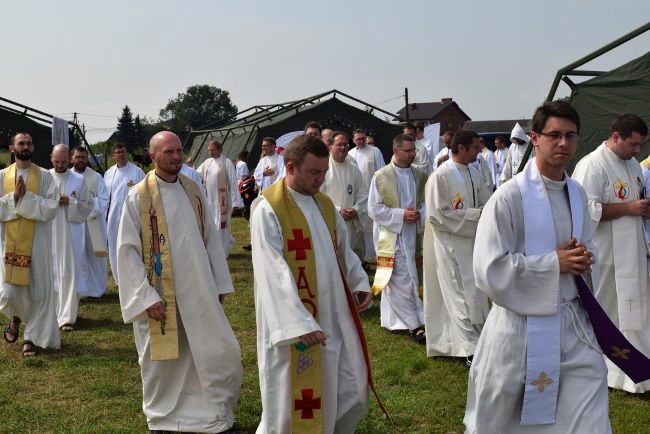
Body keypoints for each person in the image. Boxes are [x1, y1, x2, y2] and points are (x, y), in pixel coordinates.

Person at [465, 101, 610, 432]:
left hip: (573, 325)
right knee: (507, 421)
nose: (563, 143)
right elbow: (488, 269)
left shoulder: (576, 193)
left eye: (570, 136)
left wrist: (584, 258)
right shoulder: (508, 198)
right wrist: (552, 264)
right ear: (535, 137)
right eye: (554, 135)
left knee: (589, 420)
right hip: (520, 331)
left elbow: (590, 248)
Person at [117, 131, 242, 433]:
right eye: (168, 152)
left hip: (198, 288)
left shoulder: (193, 189)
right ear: (154, 156)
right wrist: (146, 297)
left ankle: (207, 410)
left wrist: (220, 283)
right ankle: (163, 417)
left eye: (178, 150)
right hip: (159, 293)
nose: (175, 156)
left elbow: (210, 238)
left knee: (212, 349)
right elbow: (127, 251)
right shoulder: (138, 196)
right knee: (163, 360)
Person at [251, 134, 373, 433]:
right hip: (295, 321)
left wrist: (358, 282)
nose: (320, 179)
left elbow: (343, 251)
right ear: (291, 168)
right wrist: (298, 323)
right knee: (291, 400)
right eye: (314, 173)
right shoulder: (268, 209)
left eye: (324, 173)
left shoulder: (324, 204)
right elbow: (272, 270)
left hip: (334, 313)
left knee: (353, 390)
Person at [572, 113, 650, 393]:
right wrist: (629, 209)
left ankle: (640, 368)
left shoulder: (633, 166)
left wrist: (641, 209)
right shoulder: (592, 165)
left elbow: (634, 200)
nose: (637, 151)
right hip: (607, 256)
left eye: (640, 145)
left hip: (633, 251)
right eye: (633, 144)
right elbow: (586, 209)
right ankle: (613, 373)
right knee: (612, 311)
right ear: (615, 136)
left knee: (637, 308)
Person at [423, 130, 492, 366]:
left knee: (477, 293)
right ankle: (471, 349)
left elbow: (486, 200)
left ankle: (481, 340)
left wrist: (485, 213)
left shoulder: (474, 171)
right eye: (474, 147)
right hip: (452, 244)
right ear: (461, 148)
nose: (478, 152)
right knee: (459, 294)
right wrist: (476, 215)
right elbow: (438, 214)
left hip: (474, 242)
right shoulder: (441, 176)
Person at [0, 133, 60, 357]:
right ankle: (15, 318)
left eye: (29, 143)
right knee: (11, 292)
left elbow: (52, 206)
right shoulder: (1, 176)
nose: (26, 146)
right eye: (21, 143)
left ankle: (30, 338)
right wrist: (14, 197)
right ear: (12, 148)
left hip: (38, 244)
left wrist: (26, 199)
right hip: (10, 244)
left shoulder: (44, 176)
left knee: (39, 293)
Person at [368, 134, 427, 343]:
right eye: (408, 151)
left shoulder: (420, 175)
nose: (413, 155)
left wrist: (420, 213)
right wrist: (402, 214)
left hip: (412, 234)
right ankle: (413, 324)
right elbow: (373, 208)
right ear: (396, 151)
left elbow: (425, 203)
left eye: (414, 151)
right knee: (396, 278)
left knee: (411, 277)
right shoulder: (381, 176)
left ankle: (398, 319)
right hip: (389, 234)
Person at [50, 145, 92, 331]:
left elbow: (87, 206)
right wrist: (52, 202)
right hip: (49, 231)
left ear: (70, 160)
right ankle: (51, 314)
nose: (60, 165)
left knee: (69, 272)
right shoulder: (44, 177)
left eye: (63, 162)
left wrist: (71, 202)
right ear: (51, 158)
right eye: (57, 161)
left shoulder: (79, 179)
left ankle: (67, 317)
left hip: (72, 231)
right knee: (50, 271)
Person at [320, 131, 369, 263]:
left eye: (346, 144)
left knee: (351, 257)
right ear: (330, 147)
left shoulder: (353, 168)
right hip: (331, 220)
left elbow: (362, 194)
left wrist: (356, 209)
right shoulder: (323, 167)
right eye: (339, 144)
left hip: (351, 221)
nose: (343, 147)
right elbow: (318, 196)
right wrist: (338, 210)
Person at [71, 146, 110, 298]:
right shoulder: (67, 176)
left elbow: (104, 199)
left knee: (95, 257)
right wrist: (77, 206)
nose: (81, 160)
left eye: (83, 157)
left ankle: (97, 289)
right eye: (77, 157)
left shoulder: (96, 177)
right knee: (77, 256)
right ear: (71, 159)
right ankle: (79, 290)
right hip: (74, 223)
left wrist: (84, 206)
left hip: (93, 223)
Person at [105, 143, 145, 284]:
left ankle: (134, 278)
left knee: (131, 245)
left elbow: (144, 194)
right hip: (113, 217)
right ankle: (118, 280)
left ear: (126, 153)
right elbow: (106, 196)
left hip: (131, 216)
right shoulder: (109, 173)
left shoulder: (137, 172)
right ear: (113, 155)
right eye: (117, 152)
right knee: (114, 247)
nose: (120, 155)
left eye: (122, 152)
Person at [197, 139, 243, 257]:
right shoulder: (207, 162)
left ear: (219, 150)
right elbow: (196, 174)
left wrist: (235, 202)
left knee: (222, 226)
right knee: (212, 225)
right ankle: (215, 249)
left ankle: (223, 251)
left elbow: (233, 183)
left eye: (212, 150)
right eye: (209, 150)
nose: (210, 152)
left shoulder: (227, 163)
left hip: (223, 200)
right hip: (209, 200)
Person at [348, 129, 386, 261]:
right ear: (353, 140)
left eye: (363, 138)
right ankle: (363, 256)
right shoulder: (350, 154)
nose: (362, 141)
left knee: (372, 225)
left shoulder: (375, 151)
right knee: (360, 226)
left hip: (373, 193)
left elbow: (382, 172)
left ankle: (374, 254)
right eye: (358, 139)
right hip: (358, 196)